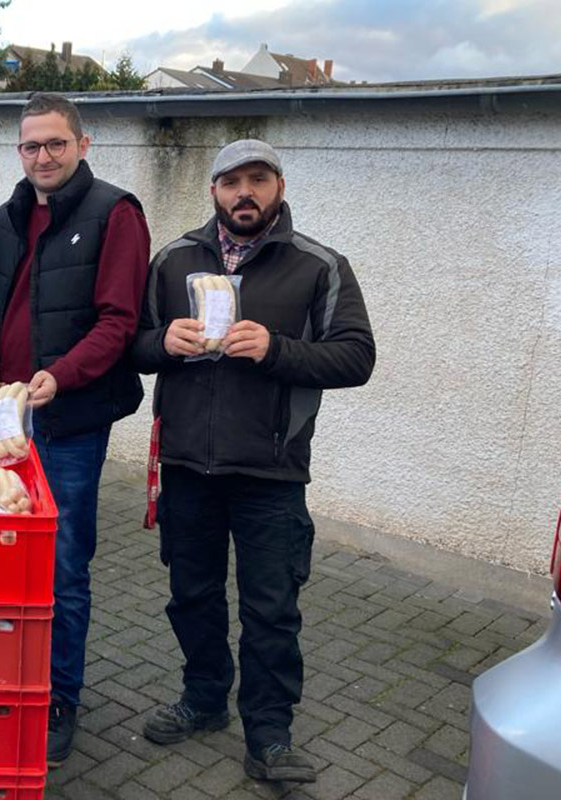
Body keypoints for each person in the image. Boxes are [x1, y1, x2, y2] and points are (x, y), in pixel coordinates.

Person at [130, 139, 375, 783]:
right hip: (187, 466)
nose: (245, 192)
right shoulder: (173, 259)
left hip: (271, 471)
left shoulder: (319, 265)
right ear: (213, 190)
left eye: (258, 179)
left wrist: (275, 348)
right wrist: (162, 341)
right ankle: (205, 700)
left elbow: (356, 358)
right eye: (231, 181)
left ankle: (269, 732)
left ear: (279, 186)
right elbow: (131, 342)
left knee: (271, 608)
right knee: (193, 597)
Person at [0, 93, 151, 766]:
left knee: (61, 563)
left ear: (83, 143)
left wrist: (60, 376)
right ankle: (6, 679)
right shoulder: (9, 215)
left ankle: (58, 696)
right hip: (6, 414)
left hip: (68, 419)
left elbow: (118, 321)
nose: (42, 156)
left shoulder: (115, 212)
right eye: (30, 146)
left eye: (54, 143)